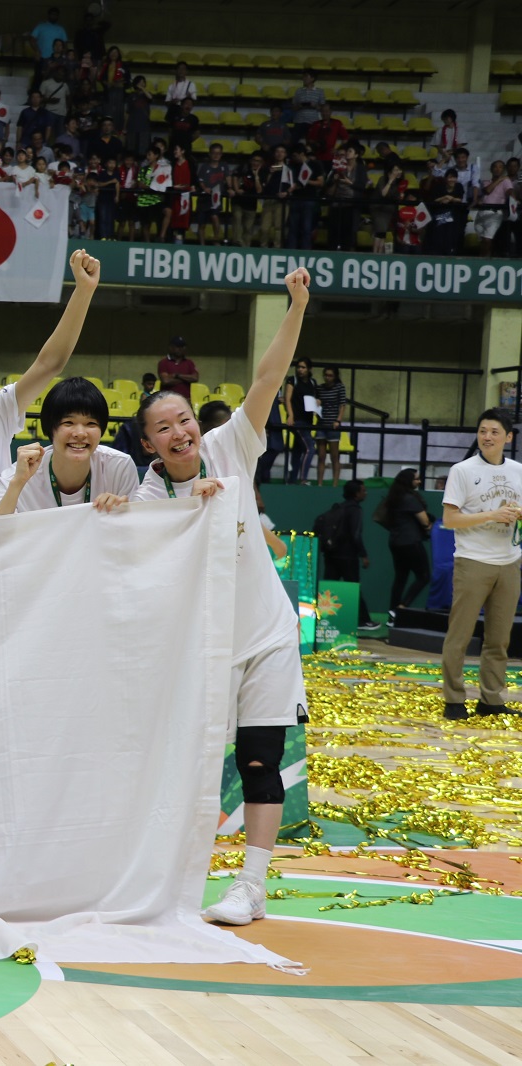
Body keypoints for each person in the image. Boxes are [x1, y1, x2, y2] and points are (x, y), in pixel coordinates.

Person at [134, 266, 314, 926]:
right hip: (201, 654)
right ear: (149, 443)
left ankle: (252, 886)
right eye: (164, 427)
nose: (180, 432)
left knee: (260, 760)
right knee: (188, 769)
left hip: (264, 639)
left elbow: (268, 377)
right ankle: (169, 880)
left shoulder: (230, 445)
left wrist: (294, 307)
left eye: (184, 418)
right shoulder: (148, 496)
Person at [440, 409, 522, 720]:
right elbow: (450, 519)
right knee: (459, 636)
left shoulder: (518, 470)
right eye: (483, 431)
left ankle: (491, 700)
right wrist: (491, 515)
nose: (487, 437)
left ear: (508, 437)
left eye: (494, 432)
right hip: (472, 561)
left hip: (510, 562)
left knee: (499, 639)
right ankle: (454, 699)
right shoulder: (462, 470)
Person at [0, 378, 137, 514]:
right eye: (68, 423)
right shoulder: (16, 475)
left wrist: (123, 513)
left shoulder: (119, 467)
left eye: (90, 424)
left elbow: (134, 533)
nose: (80, 433)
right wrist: (17, 484)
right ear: (50, 428)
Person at [315, 480, 374, 631]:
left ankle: (322, 619)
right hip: (347, 556)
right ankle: (364, 621)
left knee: (329, 588)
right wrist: (363, 554)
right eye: (363, 490)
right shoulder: (355, 510)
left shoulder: (339, 508)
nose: (366, 493)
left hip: (331, 554)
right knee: (354, 587)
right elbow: (355, 534)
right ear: (356, 493)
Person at [381, 468, 431, 616]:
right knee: (423, 576)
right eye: (416, 479)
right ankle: (402, 608)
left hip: (395, 542)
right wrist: (428, 526)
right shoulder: (409, 498)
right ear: (408, 481)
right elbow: (425, 520)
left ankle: (392, 610)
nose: (419, 481)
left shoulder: (394, 498)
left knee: (400, 578)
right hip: (411, 542)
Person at [284, 357, 318, 484]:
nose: (300, 370)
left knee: (298, 450)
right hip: (297, 420)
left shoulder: (313, 383)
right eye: (298, 367)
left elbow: (315, 399)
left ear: (309, 369)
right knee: (310, 448)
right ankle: (303, 479)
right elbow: (288, 398)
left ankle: (291, 480)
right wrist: (290, 415)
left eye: (303, 367)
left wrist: (317, 402)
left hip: (308, 420)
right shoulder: (292, 380)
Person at [314, 365, 347, 485]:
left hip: (333, 425)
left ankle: (335, 483)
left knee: (334, 456)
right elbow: (316, 403)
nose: (327, 378)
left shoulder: (340, 388)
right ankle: (320, 483)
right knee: (321, 456)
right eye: (326, 375)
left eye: (330, 375)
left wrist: (338, 420)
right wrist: (317, 402)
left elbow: (342, 405)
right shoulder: (320, 388)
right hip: (321, 424)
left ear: (335, 376)